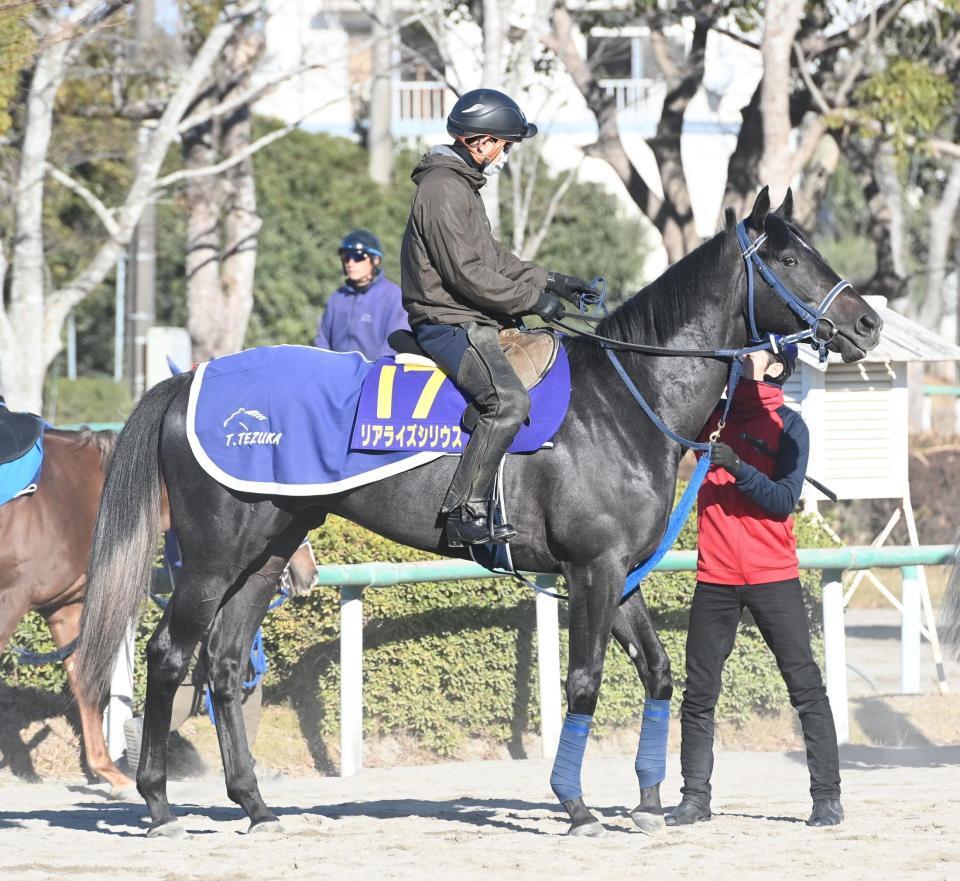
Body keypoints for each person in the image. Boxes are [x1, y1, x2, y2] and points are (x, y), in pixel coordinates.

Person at [400, 87, 594, 547]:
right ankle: (464, 511)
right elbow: (467, 275)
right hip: (449, 324)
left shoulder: (460, 184)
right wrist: (529, 301)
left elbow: (492, 258)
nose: (506, 153)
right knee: (507, 403)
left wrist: (550, 280)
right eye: (506, 144)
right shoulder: (442, 189)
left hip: (469, 317)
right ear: (481, 141)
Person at [667, 345, 844, 829]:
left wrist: (739, 467)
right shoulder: (711, 417)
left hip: (774, 577)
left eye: (760, 350)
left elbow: (783, 501)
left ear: (779, 366)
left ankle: (827, 797)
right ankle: (694, 799)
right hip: (716, 577)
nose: (747, 353)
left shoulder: (791, 426)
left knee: (805, 687)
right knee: (699, 695)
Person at [315, 229, 409, 361]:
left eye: (358, 257)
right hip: (338, 376)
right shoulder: (337, 297)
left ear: (375, 260)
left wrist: (371, 371)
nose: (350, 263)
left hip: (374, 376)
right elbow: (322, 340)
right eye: (346, 257)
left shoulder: (393, 296)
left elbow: (395, 343)